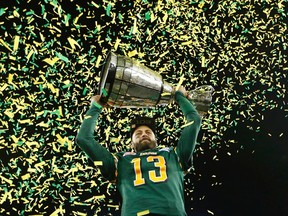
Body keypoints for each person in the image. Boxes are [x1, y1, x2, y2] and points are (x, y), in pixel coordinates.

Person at [76, 86, 203, 216]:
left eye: (148, 132)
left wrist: (179, 97)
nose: (143, 134)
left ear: (156, 140)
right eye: (138, 133)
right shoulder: (120, 161)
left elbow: (194, 121)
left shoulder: (174, 154)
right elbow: (83, 139)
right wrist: (95, 107)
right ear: (131, 144)